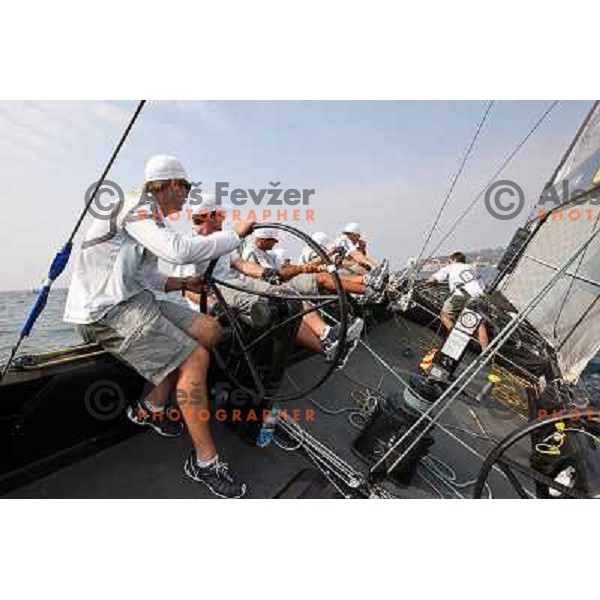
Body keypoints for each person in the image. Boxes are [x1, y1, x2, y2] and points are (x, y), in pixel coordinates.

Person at [63, 155, 255, 498]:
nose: (188, 194)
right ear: (166, 184)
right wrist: (234, 236)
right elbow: (179, 251)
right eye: (185, 186)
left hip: (136, 301)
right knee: (195, 358)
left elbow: (147, 276)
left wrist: (185, 285)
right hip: (105, 313)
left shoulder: (152, 220)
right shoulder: (137, 208)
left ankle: (149, 409)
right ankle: (205, 463)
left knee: (210, 330)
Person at [177, 199, 365, 368]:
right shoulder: (190, 245)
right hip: (214, 292)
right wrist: (214, 307)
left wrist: (267, 273)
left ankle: (328, 335)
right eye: (221, 215)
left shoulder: (223, 241)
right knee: (281, 310)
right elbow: (187, 288)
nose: (224, 219)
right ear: (209, 216)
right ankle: (329, 351)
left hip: (236, 282)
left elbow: (241, 264)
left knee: (284, 292)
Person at [427, 251, 489, 350]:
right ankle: (486, 351)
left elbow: (433, 279)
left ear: (454, 260)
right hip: (480, 296)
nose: (448, 263)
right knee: (480, 324)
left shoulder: (451, 267)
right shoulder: (472, 268)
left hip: (462, 295)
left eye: (449, 261)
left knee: (445, 315)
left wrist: (430, 282)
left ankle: (458, 340)